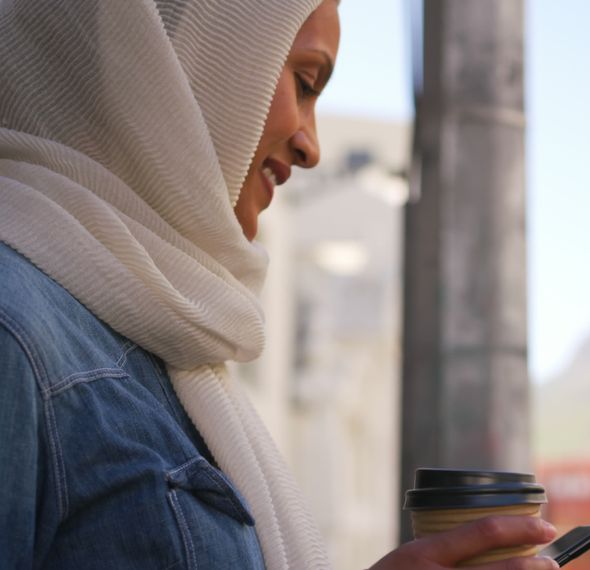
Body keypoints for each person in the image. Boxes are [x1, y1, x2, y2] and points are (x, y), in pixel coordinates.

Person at [0, 0, 556, 568]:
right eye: (305, 82)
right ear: (191, 58)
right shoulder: (15, 328)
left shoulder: (169, 333)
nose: (310, 147)